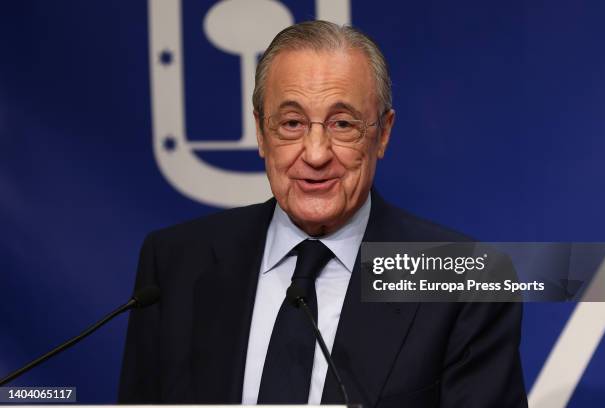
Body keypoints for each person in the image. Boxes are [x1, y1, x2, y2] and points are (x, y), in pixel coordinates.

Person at [118, 20, 527, 407]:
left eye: (342, 124)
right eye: (292, 123)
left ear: (382, 134)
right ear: (261, 133)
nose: (315, 154)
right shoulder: (174, 263)